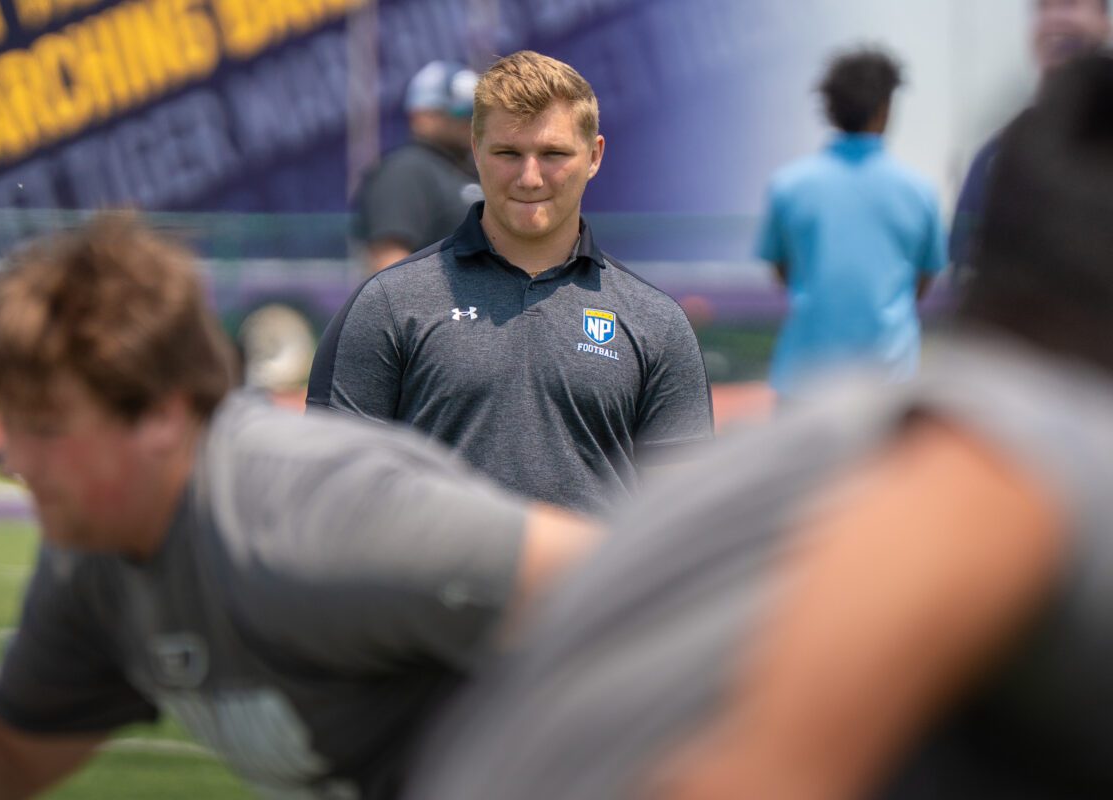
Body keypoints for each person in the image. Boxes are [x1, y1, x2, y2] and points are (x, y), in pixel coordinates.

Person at [406, 53, 1113, 800]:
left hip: (816, 393)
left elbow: (784, 269)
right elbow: (970, 486)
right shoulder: (1020, 451)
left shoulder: (760, 463)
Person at [0, 215, 597, 799]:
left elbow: (637, 588)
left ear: (159, 415)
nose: (16, 463)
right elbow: (10, 746)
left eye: (47, 428)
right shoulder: (94, 554)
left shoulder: (318, 513)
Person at [308, 50, 713, 515]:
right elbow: (330, 492)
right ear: (476, 150)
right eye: (508, 153)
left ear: (595, 156)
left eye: (554, 153)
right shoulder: (388, 304)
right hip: (430, 587)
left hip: (589, 589)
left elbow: (683, 517)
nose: (530, 176)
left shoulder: (655, 322)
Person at [757, 47, 946, 398]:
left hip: (805, 376)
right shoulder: (919, 191)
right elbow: (924, 276)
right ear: (886, 108)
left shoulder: (789, 185)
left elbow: (781, 267)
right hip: (890, 379)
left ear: (829, 108)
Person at [951, 0, 1109, 274]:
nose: (1054, 18)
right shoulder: (997, 158)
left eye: (1069, 5)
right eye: (1043, 7)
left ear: (1105, 22)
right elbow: (963, 266)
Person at [354, 60, 484, 273]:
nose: (469, 122)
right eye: (459, 113)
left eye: (475, 114)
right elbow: (389, 267)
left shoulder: (465, 167)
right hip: (438, 305)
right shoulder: (405, 171)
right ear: (422, 115)